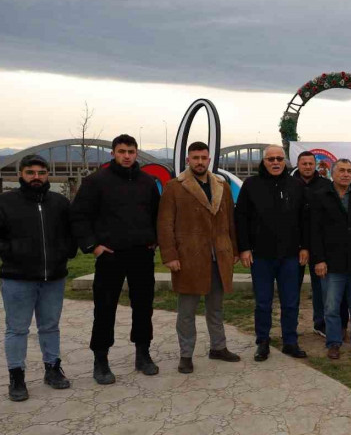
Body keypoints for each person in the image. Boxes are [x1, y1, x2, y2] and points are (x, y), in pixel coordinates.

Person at [0, 155, 77, 401]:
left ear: (47, 175)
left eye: (41, 172)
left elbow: (72, 231)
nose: (36, 177)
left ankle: (52, 369)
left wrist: (67, 252)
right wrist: (10, 252)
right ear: (20, 174)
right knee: (17, 329)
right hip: (17, 278)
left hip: (53, 277)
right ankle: (17, 376)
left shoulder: (60, 202)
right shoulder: (4, 203)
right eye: (30, 172)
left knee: (50, 326)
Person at [71, 134, 160, 384]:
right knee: (105, 308)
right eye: (122, 151)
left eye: (131, 151)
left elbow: (157, 213)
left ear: (137, 153)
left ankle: (143, 354)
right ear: (113, 153)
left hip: (142, 254)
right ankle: (101, 360)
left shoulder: (147, 182)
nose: (127, 156)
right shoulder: (95, 181)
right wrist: (93, 246)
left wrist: (155, 238)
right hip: (110, 255)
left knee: (144, 307)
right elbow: (79, 216)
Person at [157, 142, 241, 374]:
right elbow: (165, 225)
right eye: (195, 158)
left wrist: (233, 249)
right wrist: (170, 256)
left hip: (219, 257)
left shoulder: (221, 185)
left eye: (204, 157)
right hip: (189, 258)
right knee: (187, 311)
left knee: (216, 307)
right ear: (188, 160)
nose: (200, 162)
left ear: (209, 159)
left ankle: (218, 347)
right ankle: (186, 354)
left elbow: (231, 222)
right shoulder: (174, 187)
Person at [235, 145, 310, 361]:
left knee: (290, 301)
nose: (275, 162)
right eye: (271, 159)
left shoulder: (296, 186)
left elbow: (305, 219)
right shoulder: (251, 185)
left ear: (285, 161)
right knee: (263, 302)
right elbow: (241, 218)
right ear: (264, 161)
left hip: (290, 256)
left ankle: (290, 341)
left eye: (279, 158)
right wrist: (244, 248)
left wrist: (305, 246)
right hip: (261, 255)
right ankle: (263, 341)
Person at [310, 159, 351, 360]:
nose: (346, 174)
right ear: (332, 173)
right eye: (342, 171)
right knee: (331, 308)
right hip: (331, 264)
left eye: (349, 171)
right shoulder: (321, 196)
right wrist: (319, 260)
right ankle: (333, 343)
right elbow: (315, 231)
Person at [293, 151, 341, 338]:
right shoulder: (290, 184)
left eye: (310, 163)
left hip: (319, 245)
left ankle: (320, 323)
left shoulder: (326, 185)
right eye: (303, 163)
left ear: (315, 165)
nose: (307, 166)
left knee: (321, 288)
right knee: (291, 289)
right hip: (294, 244)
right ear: (298, 164)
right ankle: (291, 326)